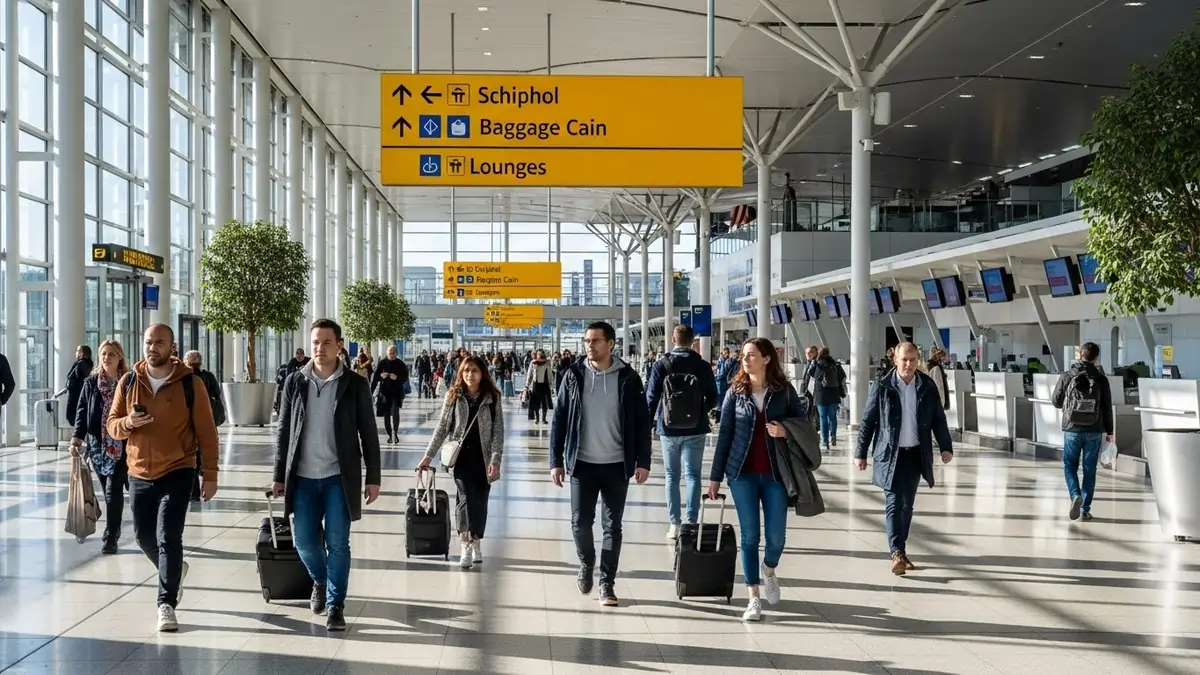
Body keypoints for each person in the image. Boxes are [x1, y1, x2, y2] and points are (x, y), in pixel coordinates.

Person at [106, 324, 220, 632]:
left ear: (172, 347)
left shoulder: (190, 384)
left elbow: (207, 432)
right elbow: (112, 425)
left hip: (178, 468)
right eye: (148, 342)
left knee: (169, 536)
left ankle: (165, 603)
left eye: (159, 342)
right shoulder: (129, 382)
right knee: (145, 537)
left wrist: (210, 474)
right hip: (139, 470)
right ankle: (174, 572)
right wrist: (128, 422)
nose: (152, 347)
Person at [272, 319, 381, 631]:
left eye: (326, 342)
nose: (319, 348)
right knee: (304, 541)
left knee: (338, 542)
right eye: (315, 342)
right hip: (303, 478)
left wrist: (373, 476)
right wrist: (279, 474)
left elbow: (369, 433)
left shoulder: (355, 384)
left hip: (338, 478)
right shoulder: (295, 381)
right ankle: (320, 579)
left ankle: (336, 604)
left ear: (339, 345)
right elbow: (284, 431)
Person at [550, 321, 651, 607]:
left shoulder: (629, 378)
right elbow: (559, 419)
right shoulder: (573, 375)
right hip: (582, 463)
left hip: (617, 465)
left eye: (595, 341)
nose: (589, 346)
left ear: (611, 344)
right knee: (580, 523)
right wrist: (555, 460)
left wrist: (643, 461)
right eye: (586, 341)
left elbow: (642, 423)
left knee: (612, 526)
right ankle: (587, 563)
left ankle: (607, 582)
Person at [707, 338, 804, 622]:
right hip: (741, 473)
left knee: (776, 538)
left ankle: (770, 569)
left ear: (766, 359)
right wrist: (715, 478)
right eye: (743, 356)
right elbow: (724, 436)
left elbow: (803, 424)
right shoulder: (735, 392)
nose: (746, 360)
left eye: (751, 355)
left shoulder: (784, 391)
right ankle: (753, 598)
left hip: (776, 473)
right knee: (750, 536)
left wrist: (784, 430)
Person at [854, 342, 954, 576]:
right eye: (904, 359)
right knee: (894, 502)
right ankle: (896, 552)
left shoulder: (927, 386)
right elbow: (868, 421)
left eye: (912, 359)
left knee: (907, 504)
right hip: (890, 454)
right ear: (895, 360)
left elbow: (939, 419)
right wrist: (860, 452)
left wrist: (946, 447)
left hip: (916, 453)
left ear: (918, 360)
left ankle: (901, 549)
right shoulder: (882, 386)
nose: (908, 364)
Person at [420, 355, 504, 569]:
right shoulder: (454, 395)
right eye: (466, 370)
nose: (470, 375)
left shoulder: (492, 397)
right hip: (461, 457)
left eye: (474, 371)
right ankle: (466, 543)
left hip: (484, 458)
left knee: (480, 500)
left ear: (482, 373)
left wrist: (495, 458)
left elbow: (498, 431)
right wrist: (428, 455)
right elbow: (442, 428)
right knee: (465, 498)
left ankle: (476, 539)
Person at [645, 324, 718, 539]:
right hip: (696, 428)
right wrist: (698, 412)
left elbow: (651, 397)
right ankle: (691, 523)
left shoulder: (662, 364)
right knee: (693, 475)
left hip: (668, 428)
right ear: (693, 341)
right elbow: (714, 397)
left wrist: (647, 423)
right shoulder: (702, 365)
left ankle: (675, 524)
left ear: (672, 340)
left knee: (672, 476)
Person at [69, 340, 130, 555]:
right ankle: (115, 527)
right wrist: (77, 437)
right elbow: (82, 409)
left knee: (113, 490)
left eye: (111, 354)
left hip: (122, 445)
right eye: (103, 354)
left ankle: (111, 536)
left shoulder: (128, 382)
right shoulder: (91, 382)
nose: (107, 358)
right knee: (108, 491)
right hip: (97, 445)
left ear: (119, 357)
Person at [1051, 341, 1114, 522]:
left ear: (1080, 355)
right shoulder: (1102, 379)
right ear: (1096, 358)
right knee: (1089, 469)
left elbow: (1055, 401)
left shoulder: (1067, 375)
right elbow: (1107, 407)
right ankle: (1085, 509)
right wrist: (1109, 431)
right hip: (1094, 429)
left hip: (1072, 428)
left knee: (1070, 466)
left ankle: (1074, 495)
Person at [808, 348, 846, 451]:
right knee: (833, 417)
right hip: (834, 394)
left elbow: (810, 373)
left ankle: (825, 441)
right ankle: (833, 435)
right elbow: (842, 377)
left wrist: (814, 362)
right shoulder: (835, 365)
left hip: (821, 395)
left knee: (823, 417)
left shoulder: (817, 365)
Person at [372, 345, 410, 444]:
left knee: (395, 412)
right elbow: (375, 377)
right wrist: (381, 376)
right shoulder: (382, 363)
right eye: (390, 353)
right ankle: (389, 434)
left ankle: (395, 433)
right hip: (384, 393)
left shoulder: (400, 364)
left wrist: (397, 378)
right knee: (386, 415)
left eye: (393, 353)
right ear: (387, 353)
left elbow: (405, 377)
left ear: (396, 354)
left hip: (396, 392)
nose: (391, 355)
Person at [65, 345, 94, 425]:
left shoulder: (83, 364)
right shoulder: (83, 363)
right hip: (75, 394)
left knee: (74, 416)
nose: (76, 353)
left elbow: (85, 378)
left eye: (78, 350)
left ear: (82, 353)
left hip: (76, 395)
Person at [525, 349, 554, 425]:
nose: (540, 356)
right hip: (536, 385)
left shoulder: (547, 363)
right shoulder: (533, 363)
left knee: (545, 402)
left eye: (541, 354)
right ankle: (537, 418)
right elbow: (529, 374)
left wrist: (551, 385)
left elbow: (550, 374)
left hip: (544, 385)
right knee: (535, 403)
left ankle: (544, 418)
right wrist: (527, 385)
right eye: (538, 354)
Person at [714, 346, 738, 422]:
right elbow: (723, 372)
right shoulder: (725, 361)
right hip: (722, 382)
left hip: (721, 382)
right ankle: (720, 418)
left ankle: (719, 418)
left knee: (721, 400)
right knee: (722, 400)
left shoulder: (721, 360)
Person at [927, 346, 950, 411]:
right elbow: (939, 386)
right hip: (937, 401)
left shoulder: (931, 366)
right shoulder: (936, 368)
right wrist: (941, 402)